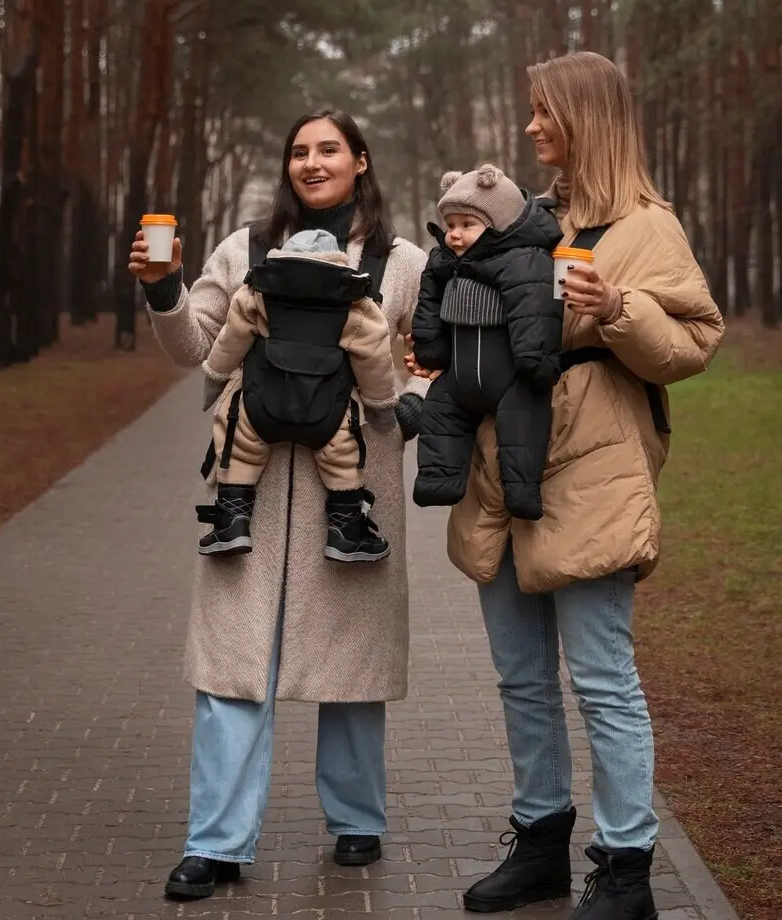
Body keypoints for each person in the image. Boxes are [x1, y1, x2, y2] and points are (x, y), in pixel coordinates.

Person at [407, 52, 725, 920]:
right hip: (503, 464)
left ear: (587, 115)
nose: (531, 127)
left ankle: (627, 873)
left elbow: (694, 343)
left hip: (593, 469)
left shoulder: (647, 228)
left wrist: (617, 306)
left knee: (601, 677)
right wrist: (445, 346)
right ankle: (541, 843)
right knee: (521, 675)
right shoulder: (528, 218)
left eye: (544, 111)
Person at [128, 108, 430, 901]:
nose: (312, 162)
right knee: (230, 664)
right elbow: (196, 347)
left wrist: (415, 406)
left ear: (361, 161)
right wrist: (163, 287)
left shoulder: (403, 262)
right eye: (299, 151)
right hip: (247, 493)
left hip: (354, 488)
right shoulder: (244, 250)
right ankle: (215, 842)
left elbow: (432, 353)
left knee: (353, 660)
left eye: (329, 149)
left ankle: (357, 817)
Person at [198, 227, 398, 562]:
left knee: (240, 444)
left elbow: (231, 340)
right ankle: (346, 530)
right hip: (327, 408)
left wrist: (215, 378)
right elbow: (374, 359)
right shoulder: (356, 303)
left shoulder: (258, 291)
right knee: (342, 454)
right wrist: (380, 407)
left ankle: (231, 520)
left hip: (261, 401)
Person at [409, 163, 563, 521]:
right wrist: (429, 347)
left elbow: (534, 309)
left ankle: (522, 493)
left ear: (499, 225)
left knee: (523, 428)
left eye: (467, 225)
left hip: (512, 376)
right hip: (458, 376)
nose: (454, 235)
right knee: (439, 412)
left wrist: (535, 358)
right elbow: (428, 304)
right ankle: (438, 480)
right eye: (450, 225)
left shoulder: (524, 260)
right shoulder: (444, 262)